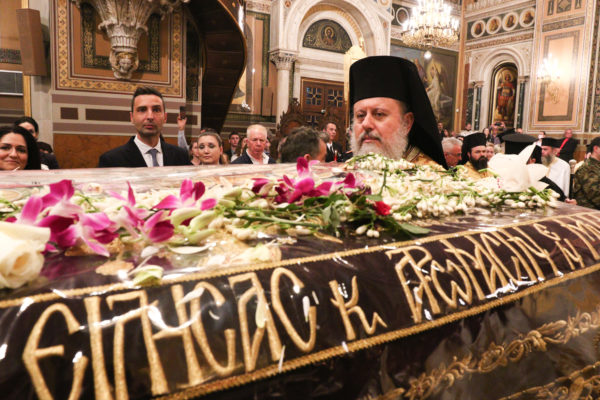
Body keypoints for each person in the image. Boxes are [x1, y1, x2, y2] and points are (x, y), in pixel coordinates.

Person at [348, 56, 447, 168]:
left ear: (406, 123)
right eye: (360, 115)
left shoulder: (430, 175)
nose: (366, 124)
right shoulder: (341, 172)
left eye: (379, 114)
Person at [98, 86, 190, 168]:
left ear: (165, 117)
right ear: (132, 117)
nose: (150, 116)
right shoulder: (111, 161)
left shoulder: (181, 156)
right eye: (142, 110)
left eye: (156, 110)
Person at [572, 137, 600, 209]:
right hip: (589, 211)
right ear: (596, 148)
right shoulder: (588, 168)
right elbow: (596, 195)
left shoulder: (596, 166)